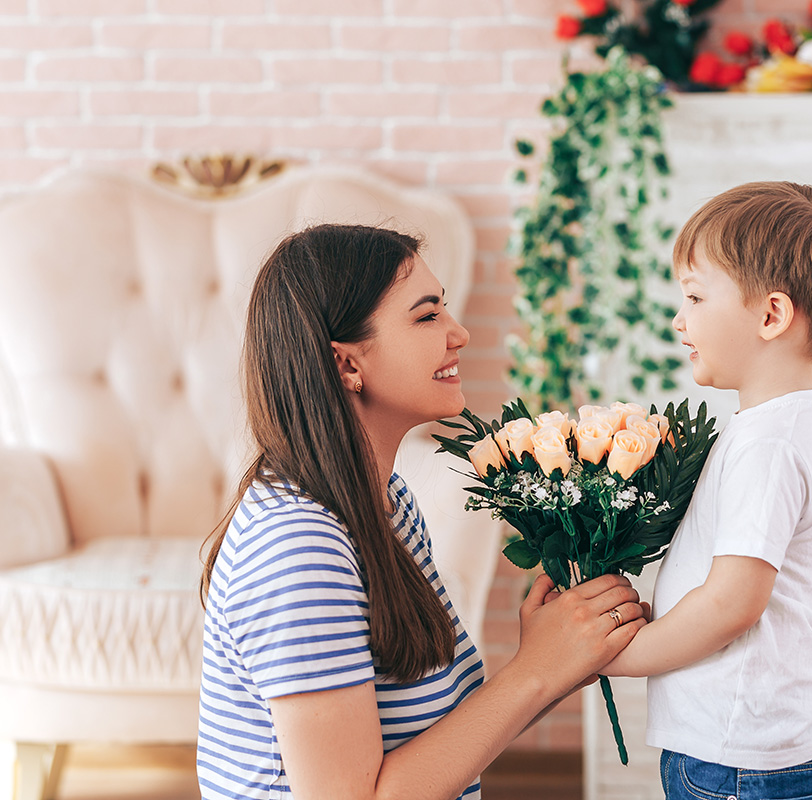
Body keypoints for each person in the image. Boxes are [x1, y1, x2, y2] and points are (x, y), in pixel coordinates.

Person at [197, 223, 647, 800]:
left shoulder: (383, 502)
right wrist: (535, 672)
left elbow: (433, 739)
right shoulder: (298, 548)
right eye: (427, 316)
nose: (458, 334)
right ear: (346, 365)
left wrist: (559, 661)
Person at [600, 182, 812, 800]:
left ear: (772, 316)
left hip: (736, 756)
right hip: (738, 746)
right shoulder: (773, 426)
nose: (679, 319)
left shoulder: (770, 445)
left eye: (695, 296)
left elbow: (732, 604)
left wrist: (618, 657)